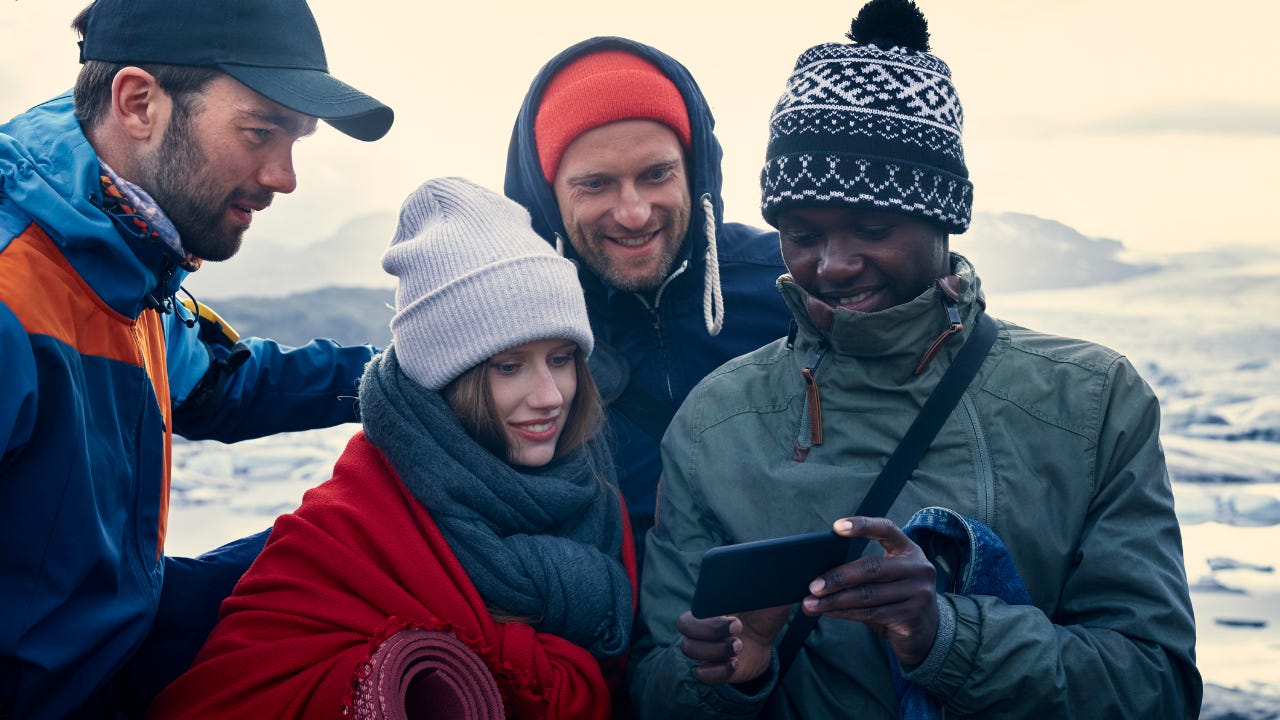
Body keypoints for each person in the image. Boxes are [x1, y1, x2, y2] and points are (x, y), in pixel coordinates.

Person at [628, 1, 1202, 717]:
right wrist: (733, 676)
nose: (832, 265)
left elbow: (1158, 687)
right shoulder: (715, 422)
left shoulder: (1092, 403)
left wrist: (947, 636)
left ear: (943, 216)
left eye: (871, 227)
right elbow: (655, 690)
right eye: (801, 234)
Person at [0, 0, 394, 716]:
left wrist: (405, 378)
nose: (285, 176)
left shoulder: (120, 260)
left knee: (361, 552)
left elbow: (218, 383)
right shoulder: (14, 288)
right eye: (261, 131)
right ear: (139, 102)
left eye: (297, 140)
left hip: (108, 657)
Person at [147, 177, 636, 720]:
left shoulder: (590, 494)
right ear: (448, 381)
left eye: (562, 358)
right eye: (509, 366)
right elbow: (221, 698)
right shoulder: (348, 528)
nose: (549, 397)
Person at [504, 38, 795, 559]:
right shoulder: (516, 324)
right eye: (595, 185)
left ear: (694, 169)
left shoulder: (790, 285)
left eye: (656, 174)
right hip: (606, 632)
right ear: (549, 197)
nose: (634, 213)